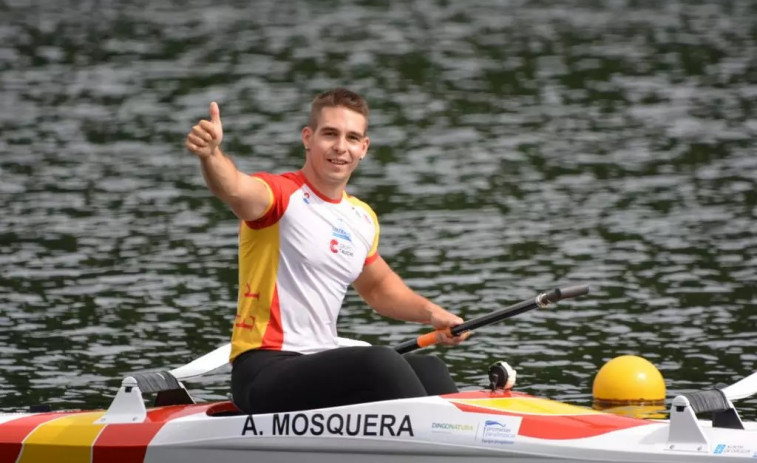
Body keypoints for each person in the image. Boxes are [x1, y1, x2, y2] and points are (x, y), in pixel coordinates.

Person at [185, 88, 468, 414]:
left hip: (318, 365)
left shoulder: (361, 217)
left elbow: (378, 288)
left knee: (431, 368)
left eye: (351, 138)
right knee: (379, 361)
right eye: (330, 134)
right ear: (308, 137)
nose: (340, 147)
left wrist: (433, 314)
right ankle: (440, 437)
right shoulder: (280, 196)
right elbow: (233, 187)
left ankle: (466, 436)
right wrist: (210, 154)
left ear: (364, 148)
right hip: (264, 369)